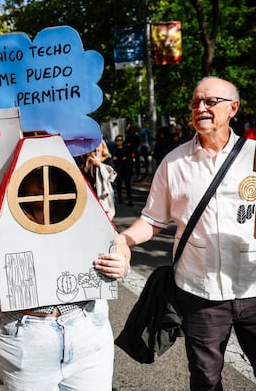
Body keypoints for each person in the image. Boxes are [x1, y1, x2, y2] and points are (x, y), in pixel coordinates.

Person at [0, 165, 131, 390]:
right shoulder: (3, 219)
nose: (42, 184)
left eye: (48, 174)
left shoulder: (81, 210)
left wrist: (123, 263)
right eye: (34, 174)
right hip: (27, 338)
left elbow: (119, 244)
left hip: (87, 328)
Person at [116, 76, 256, 390]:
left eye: (210, 102)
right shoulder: (173, 163)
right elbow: (152, 220)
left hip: (253, 286)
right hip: (200, 293)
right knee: (205, 380)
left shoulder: (253, 155)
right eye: (195, 103)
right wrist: (124, 239)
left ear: (233, 108)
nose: (200, 108)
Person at [79, 140, 117, 219]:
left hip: (105, 191)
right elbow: (84, 176)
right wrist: (87, 167)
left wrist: (99, 165)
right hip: (93, 191)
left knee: (107, 214)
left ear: (103, 147)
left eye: (99, 146)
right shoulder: (90, 160)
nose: (97, 148)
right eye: (95, 146)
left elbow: (111, 175)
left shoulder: (107, 159)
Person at [111, 134, 133, 207]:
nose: (119, 142)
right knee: (119, 183)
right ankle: (120, 198)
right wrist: (121, 159)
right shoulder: (114, 149)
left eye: (120, 140)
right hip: (118, 168)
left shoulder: (126, 149)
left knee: (128, 184)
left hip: (126, 168)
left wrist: (119, 159)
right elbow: (114, 159)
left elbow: (127, 158)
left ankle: (129, 199)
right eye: (118, 140)